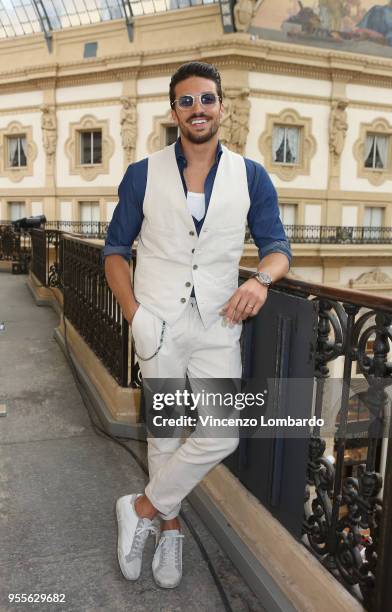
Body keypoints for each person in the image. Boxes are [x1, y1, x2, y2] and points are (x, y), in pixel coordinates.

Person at [103, 61, 292, 589]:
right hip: (157, 323)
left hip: (217, 324)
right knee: (164, 434)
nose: (197, 109)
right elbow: (115, 252)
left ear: (221, 107)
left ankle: (139, 506)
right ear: (174, 111)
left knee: (221, 433)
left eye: (206, 99)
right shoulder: (143, 173)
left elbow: (278, 248)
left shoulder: (251, 175)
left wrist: (260, 281)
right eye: (186, 101)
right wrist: (136, 314)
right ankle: (170, 529)